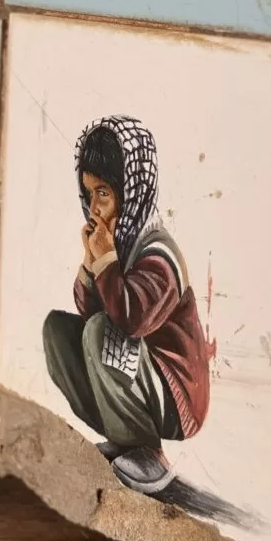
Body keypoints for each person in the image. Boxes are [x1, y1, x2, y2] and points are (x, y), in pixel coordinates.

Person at [42, 116, 210, 494]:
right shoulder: (117, 240)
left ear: (130, 191)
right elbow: (88, 310)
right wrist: (92, 261)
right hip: (139, 373)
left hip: (176, 393)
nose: (94, 208)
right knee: (58, 330)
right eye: (89, 194)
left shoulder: (159, 252)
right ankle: (123, 439)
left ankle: (148, 451)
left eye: (103, 194)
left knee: (100, 333)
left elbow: (131, 321)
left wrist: (105, 260)